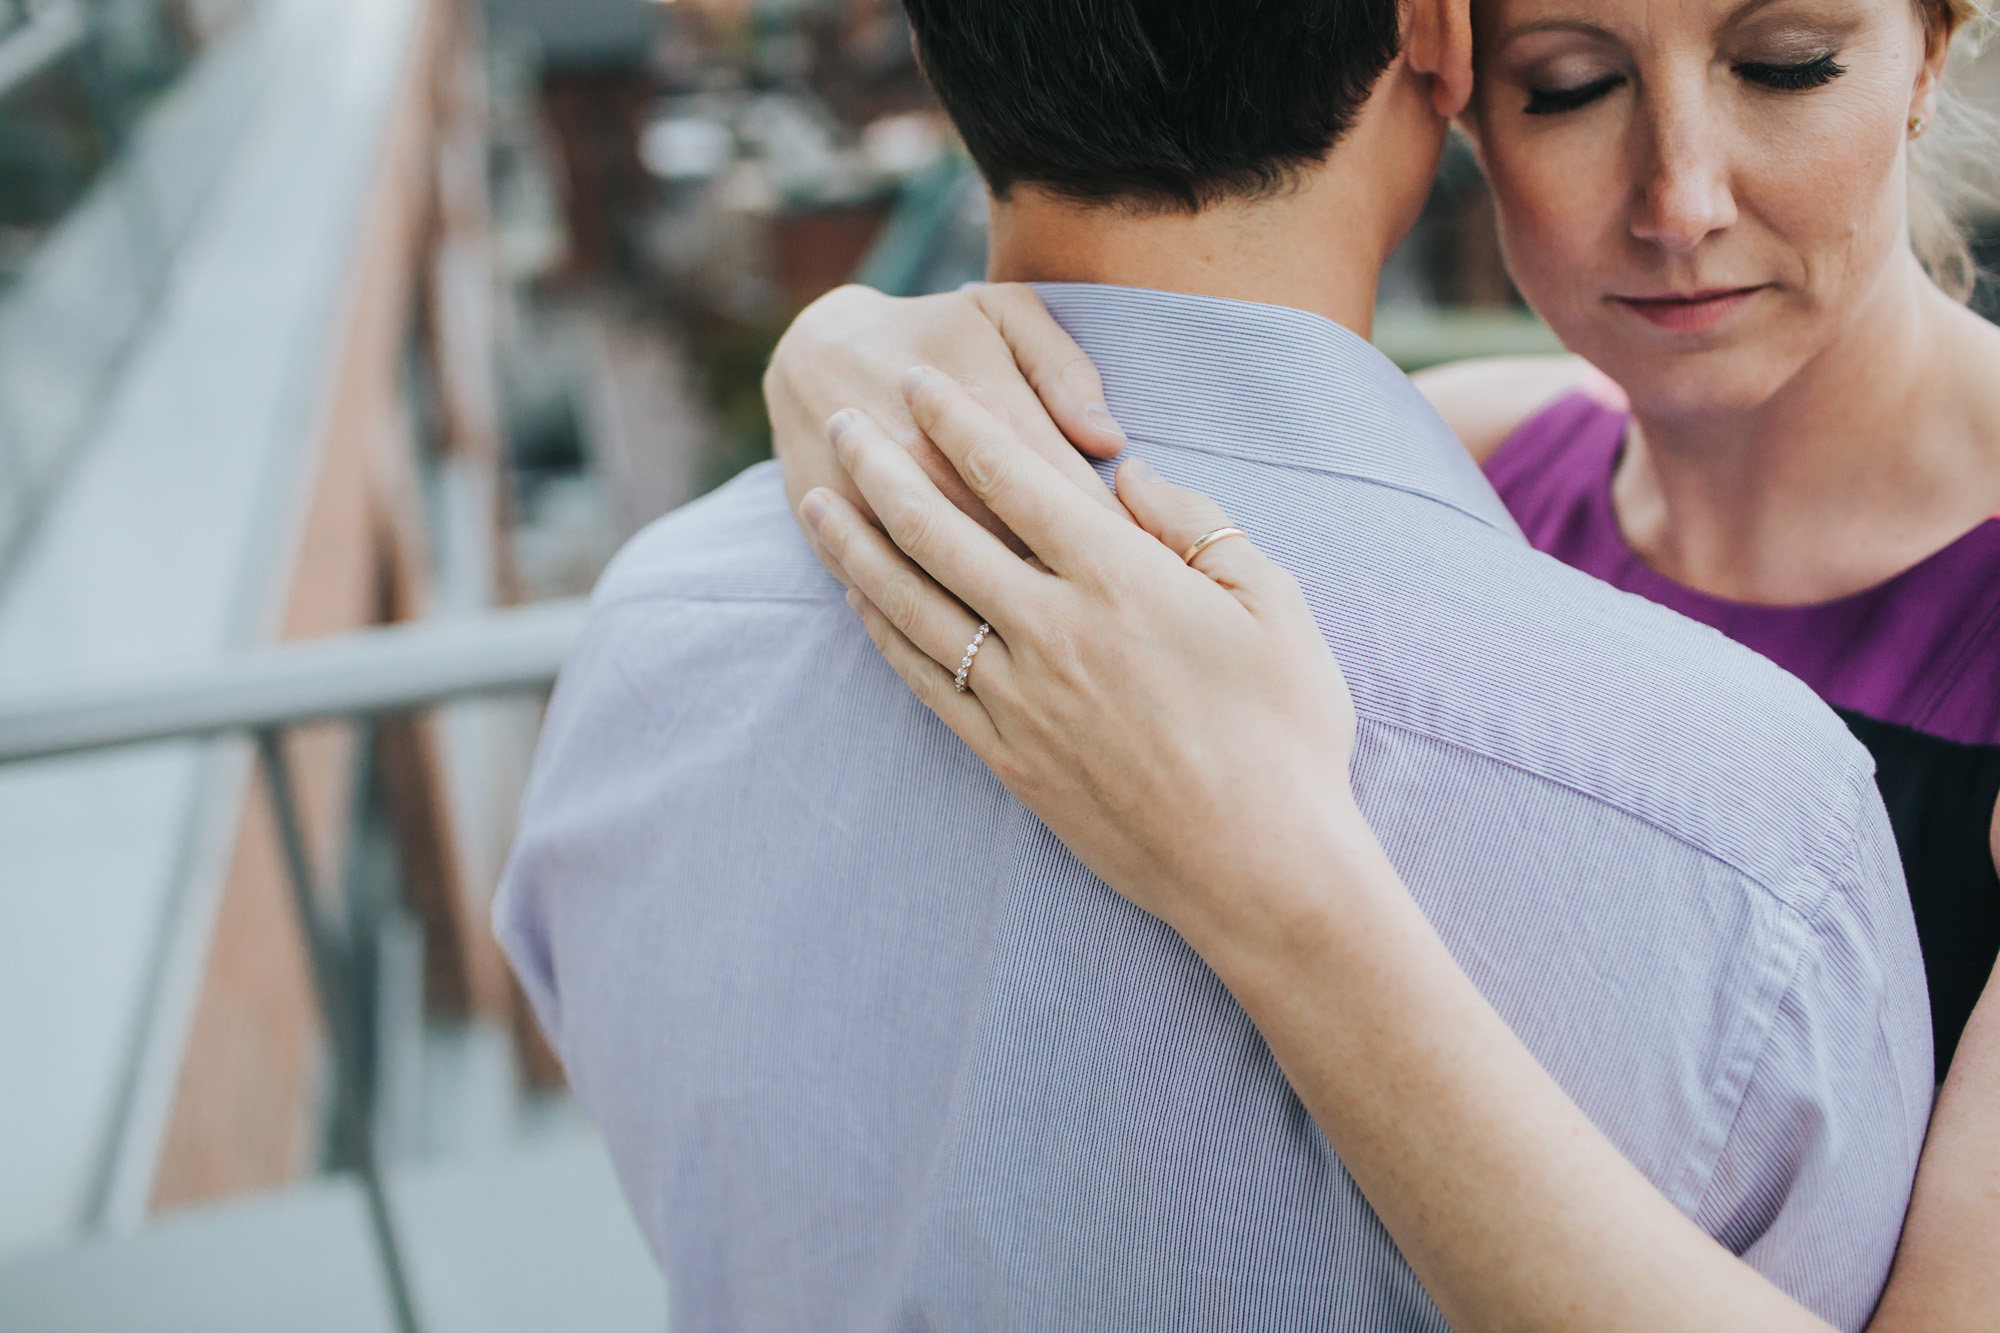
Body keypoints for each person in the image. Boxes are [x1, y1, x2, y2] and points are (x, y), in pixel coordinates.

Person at [495, 1, 1931, 1328]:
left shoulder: (650, 650)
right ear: (1441, 33)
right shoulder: (1757, 840)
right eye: (1569, 81)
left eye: (1786, 62)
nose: (1681, 203)